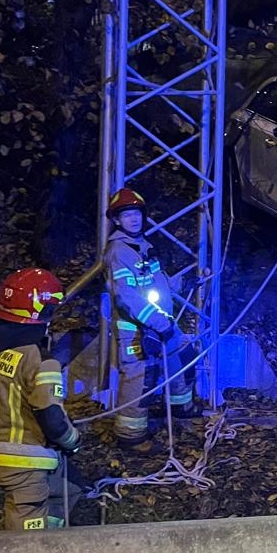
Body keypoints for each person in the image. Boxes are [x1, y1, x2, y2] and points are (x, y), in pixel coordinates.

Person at [0, 268, 80, 532]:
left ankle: (50, 541)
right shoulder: (41, 360)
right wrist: (73, 441)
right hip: (24, 461)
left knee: (70, 488)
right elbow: (52, 419)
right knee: (25, 536)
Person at [104, 188, 196, 444]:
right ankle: (130, 436)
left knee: (182, 355)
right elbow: (127, 297)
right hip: (135, 330)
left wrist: (183, 283)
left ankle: (180, 409)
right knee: (140, 379)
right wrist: (160, 323)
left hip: (160, 324)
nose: (133, 219)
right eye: (127, 215)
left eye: (136, 214)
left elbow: (158, 285)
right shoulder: (119, 252)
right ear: (117, 220)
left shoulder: (144, 246)